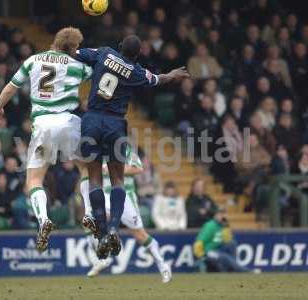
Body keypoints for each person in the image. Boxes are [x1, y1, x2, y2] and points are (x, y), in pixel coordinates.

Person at [76, 34, 189, 258]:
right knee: (118, 180)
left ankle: (99, 233)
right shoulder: (135, 71)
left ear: (119, 47)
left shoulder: (104, 53)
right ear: (137, 55)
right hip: (115, 124)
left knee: (95, 178)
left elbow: (76, 53)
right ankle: (114, 229)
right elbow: (159, 79)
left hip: (92, 121)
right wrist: (173, 75)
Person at [0, 27, 92, 252]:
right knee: (86, 169)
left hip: (43, 125)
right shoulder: (78, 66)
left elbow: (11, 87)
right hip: (69, 122)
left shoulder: (33, 60)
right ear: (74, 47)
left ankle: (44, 220)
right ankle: (89, 213)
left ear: (55, 42)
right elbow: (99, 71)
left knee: (34, 180)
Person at [80, 146, 172, 283]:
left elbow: (138, 168)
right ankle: (99, 260)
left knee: (140, 235)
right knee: (88, 220)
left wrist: (114, 170)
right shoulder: (96, 151)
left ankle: (163, 267)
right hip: (104, 195)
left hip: (125, 195)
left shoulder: (124, 149)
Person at [193, 208, 253, 273]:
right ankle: (245, 271)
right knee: (225, 258)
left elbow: (227, 240)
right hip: (208, 252)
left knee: (232, 244)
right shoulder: (210, 226)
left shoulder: (222, 226)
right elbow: (199, 241)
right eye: (220, 214)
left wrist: (226, 227)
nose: (222, 216)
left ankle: (232, 268)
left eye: (223, 214)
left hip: (218, 249)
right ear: (215, 216)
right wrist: (201, 255)